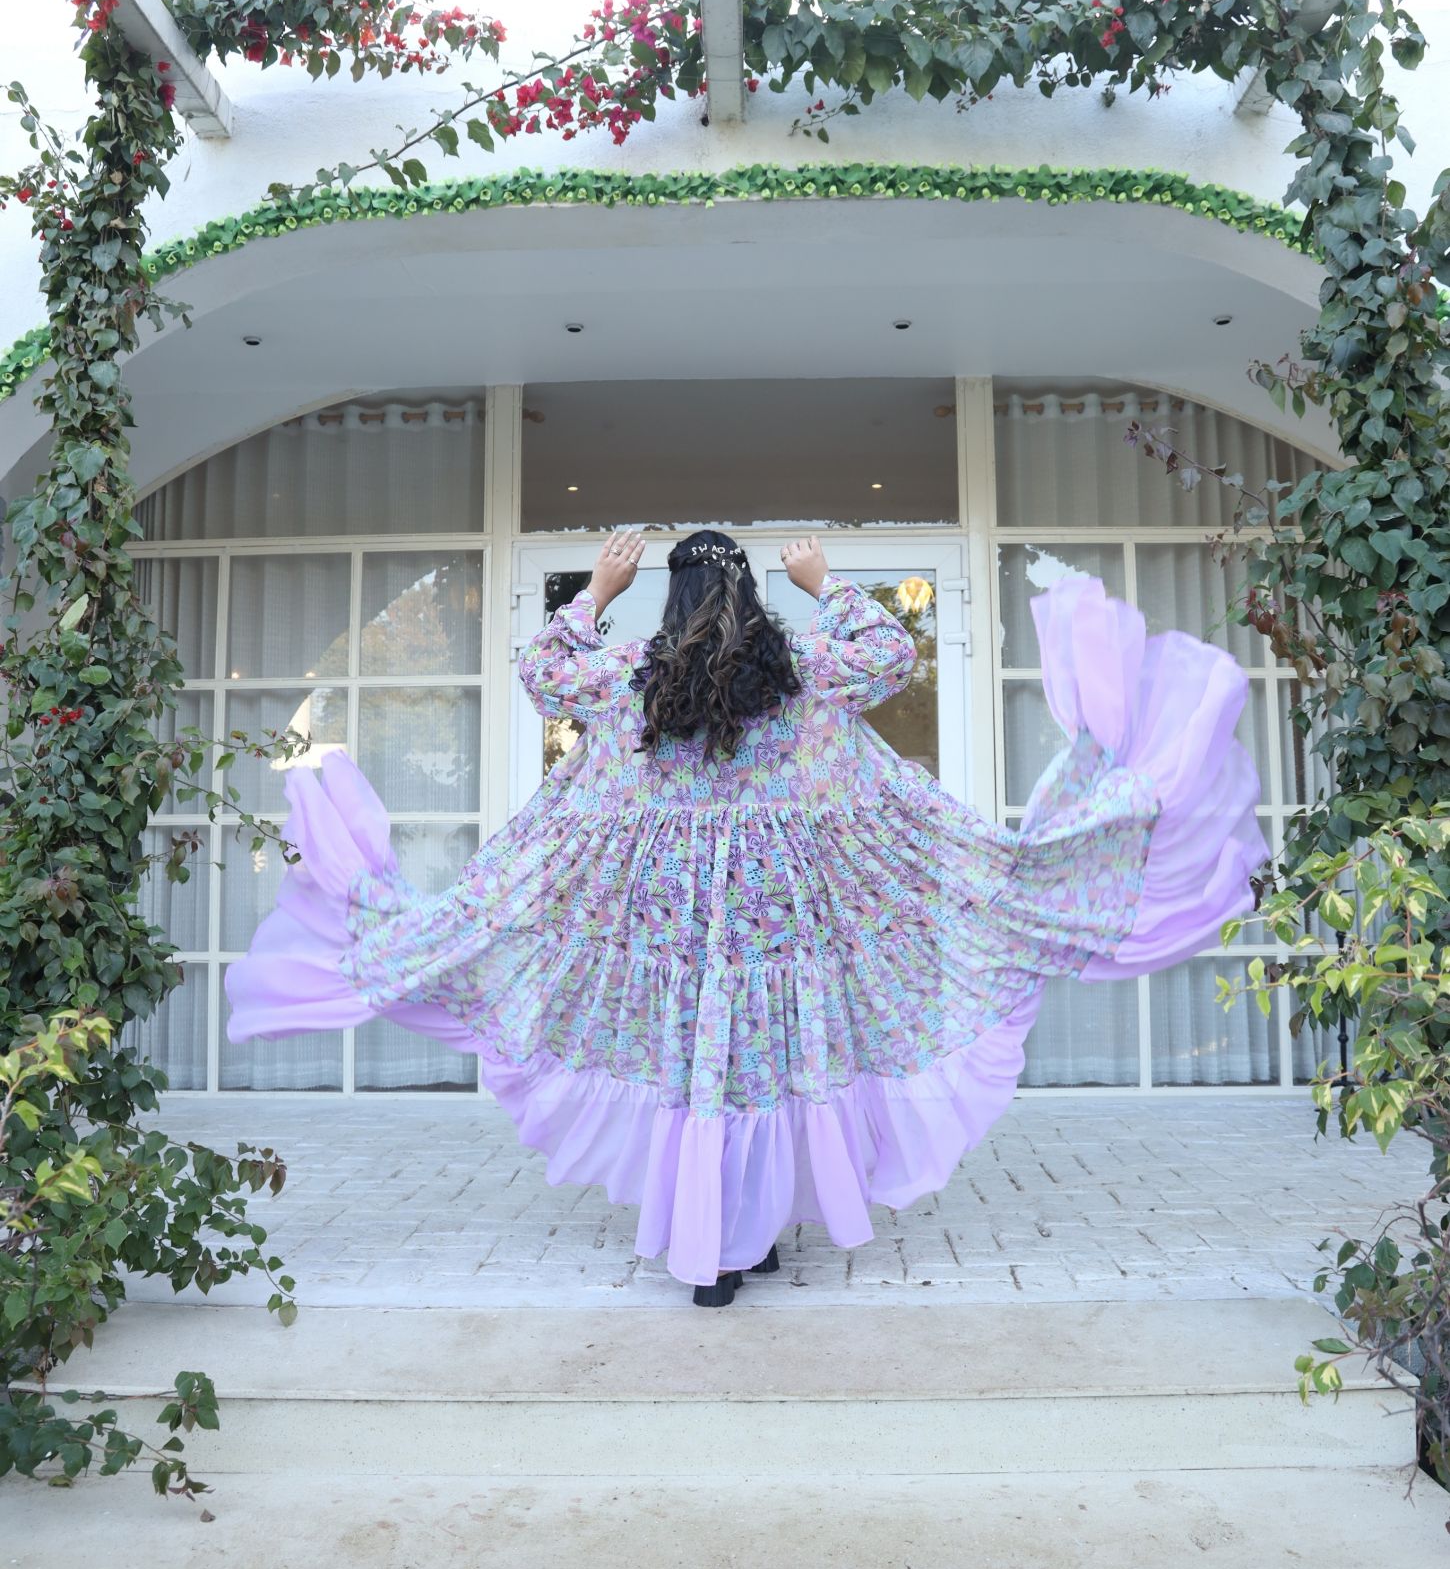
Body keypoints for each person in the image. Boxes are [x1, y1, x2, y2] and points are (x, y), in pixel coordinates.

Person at [226, 527, 1264, 1306]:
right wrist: (826, 584)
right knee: (764, 1061)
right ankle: (749, 1235)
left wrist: (597, 589)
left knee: (694, 1068)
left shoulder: (636, 679)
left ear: (669, 595)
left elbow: (543, 670)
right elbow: (892, 652)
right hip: (777, 930)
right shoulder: (805, 671)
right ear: (751, 593)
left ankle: (714, 1252)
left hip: (676, 934)